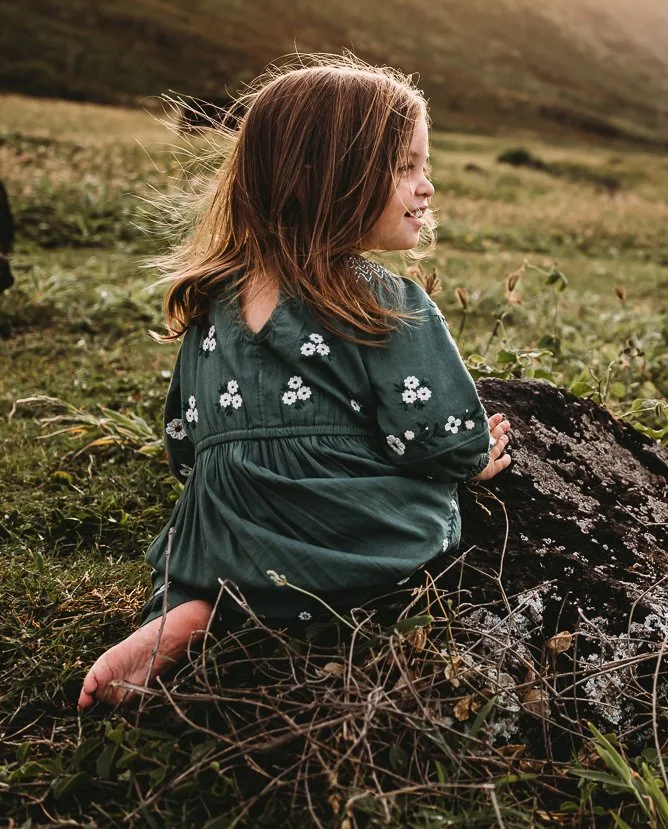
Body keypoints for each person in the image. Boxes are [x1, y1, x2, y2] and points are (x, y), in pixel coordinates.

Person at [78, 57, 512, 709]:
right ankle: (267, 614)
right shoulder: (382, 298)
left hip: (221, 523)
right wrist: (472, 462)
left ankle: (195, 607)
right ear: (329, 178)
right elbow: (435, 436)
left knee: (203, 551)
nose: (427, 187)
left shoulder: (212, 299)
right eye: (407, 167)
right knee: (423, 519)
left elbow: (183, 438)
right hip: (339, 526)